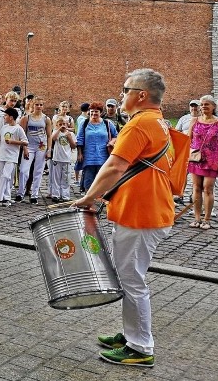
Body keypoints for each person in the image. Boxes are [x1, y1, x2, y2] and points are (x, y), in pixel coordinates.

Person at [74, 69, 175, 367]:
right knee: (129, 276)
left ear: (140, 95)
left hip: (141, 215)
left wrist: (88, 197)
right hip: (144, 209)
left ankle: (141, 347)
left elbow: (114, 167)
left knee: (132, 280)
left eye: (125, 89)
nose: (121, 95)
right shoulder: (157, 121)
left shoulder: (139, 124)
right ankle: (132, 334)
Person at [186, 95, 218, 230]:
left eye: (207, 104)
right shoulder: (194, 121)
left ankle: (207, 219)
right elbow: (188, 140)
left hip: (212, 160)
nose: (203, 106)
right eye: (202, 104)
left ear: (214, 107)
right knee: (196, 188)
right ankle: (197, 218)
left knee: (208, 188)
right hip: (196, 159)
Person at [76, 102, 118, 194]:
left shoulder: (107, 123)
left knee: (102, 179)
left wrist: (111, 142)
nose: (94, 114)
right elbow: (79, 139)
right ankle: (89, 202)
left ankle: (101, 200)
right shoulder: (84, 123)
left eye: (96, 112)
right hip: (88, 156)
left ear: (101, 113)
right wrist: (79, 153)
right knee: (88, 180)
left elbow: (116, 136)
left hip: (103, 156)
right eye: (92, 111)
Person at [17, 97, 52, 203]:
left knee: (38, 171)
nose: (39, 107)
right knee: (24, 170)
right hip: (29, 145)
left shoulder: (46, 119)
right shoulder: (26, 118)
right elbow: (22, 135)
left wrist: (49, 150)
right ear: (33, 105)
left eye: (41, 105)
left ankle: (34, 195)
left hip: (41, 146)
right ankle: (20, 193)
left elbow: (49, 135)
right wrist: (24, 148)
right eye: (37, 104)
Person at [49, 116, 76, 201]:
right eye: (60, 124)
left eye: (64, 124)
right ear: (56, 125)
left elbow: (73, 146)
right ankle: (55, 194)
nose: (62, 126)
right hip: (57, 158)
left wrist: (69, 137)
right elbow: (53, 138)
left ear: (67, 124)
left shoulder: (70, 134)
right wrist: (58, 130)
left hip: (66, 159)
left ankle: (65, 195)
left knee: (66, 178)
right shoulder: (56, 133)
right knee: (56, 178)